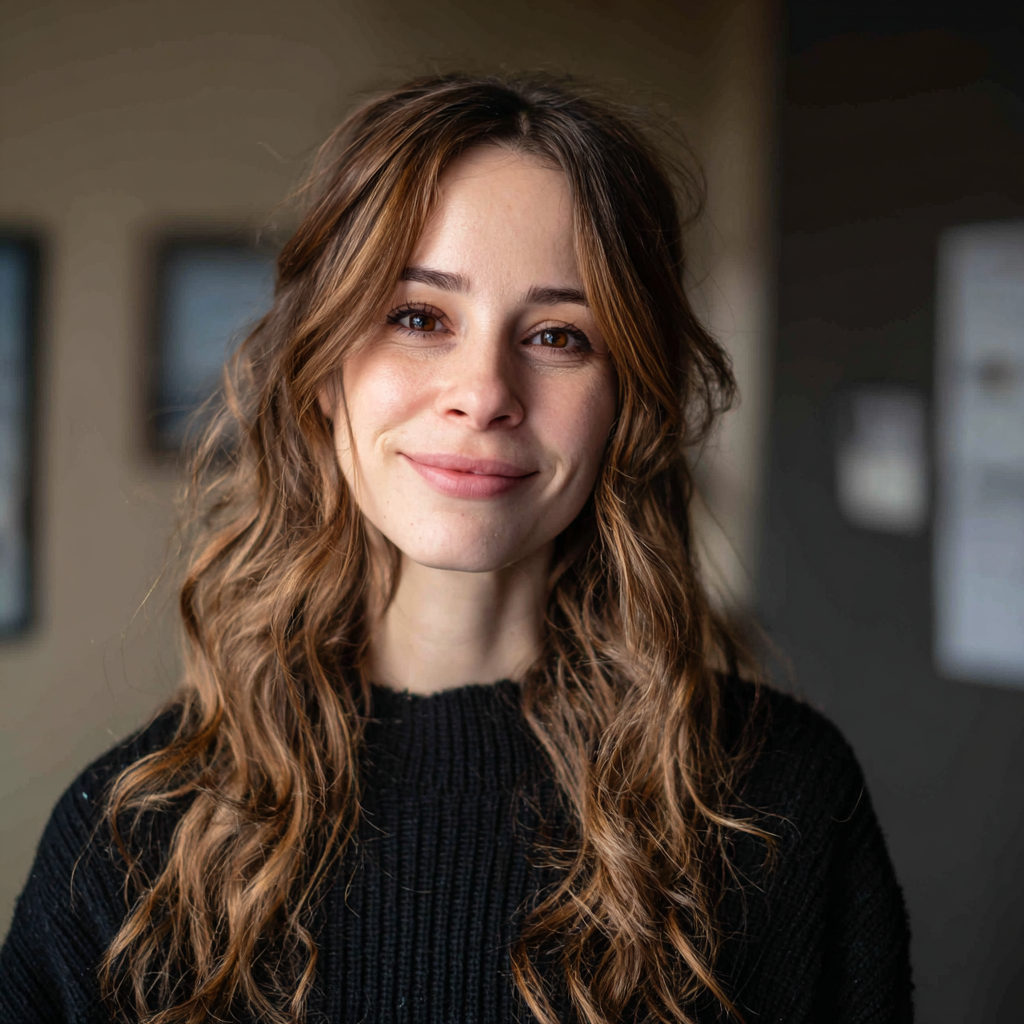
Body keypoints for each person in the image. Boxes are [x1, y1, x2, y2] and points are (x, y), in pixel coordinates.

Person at [0, 73, 912, 1024]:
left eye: (560, 335)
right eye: (418, 317)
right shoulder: (130, 838)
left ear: (628, 404)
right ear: (321, 370)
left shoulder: (781, 801)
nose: (483, 392)